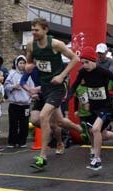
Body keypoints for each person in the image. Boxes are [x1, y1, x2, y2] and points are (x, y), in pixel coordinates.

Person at [26, 17, 80, 170]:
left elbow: (75, 58)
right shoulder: (31, 45)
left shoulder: (56, 44)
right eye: (32, 29)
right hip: (43, 88)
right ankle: (80, 131)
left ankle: (42, 156)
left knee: (44, 116)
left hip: (57, 87)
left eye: (36, 30)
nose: (34, 32)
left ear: (45, 30)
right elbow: (30, 62)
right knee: (41, 120)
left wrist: (62, 76)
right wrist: (29, 67)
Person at [69, 47, 113, 171]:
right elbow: (74, 85)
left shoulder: (103, 71)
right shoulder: (83, 72)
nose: (84, 65)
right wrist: (67, 97)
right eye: (82, 62)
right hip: (93, 107)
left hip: (105, 107)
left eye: (87, 62)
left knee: (95, 129)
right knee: (98, 132)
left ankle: (97, 160)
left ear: (94, 60)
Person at [4, 55, 32, 148]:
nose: (22, 65)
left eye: (24, 63)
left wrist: (31, 96)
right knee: (13, 124)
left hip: (25, 104)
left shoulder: (28, 74)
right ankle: (12, 142)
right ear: (16, 64)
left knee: (24, 124)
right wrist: (13, 86)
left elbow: (32, 87)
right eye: (20, 63)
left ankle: (22, 141)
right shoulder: (12, 74)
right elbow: (6, 86)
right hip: (14, 104)